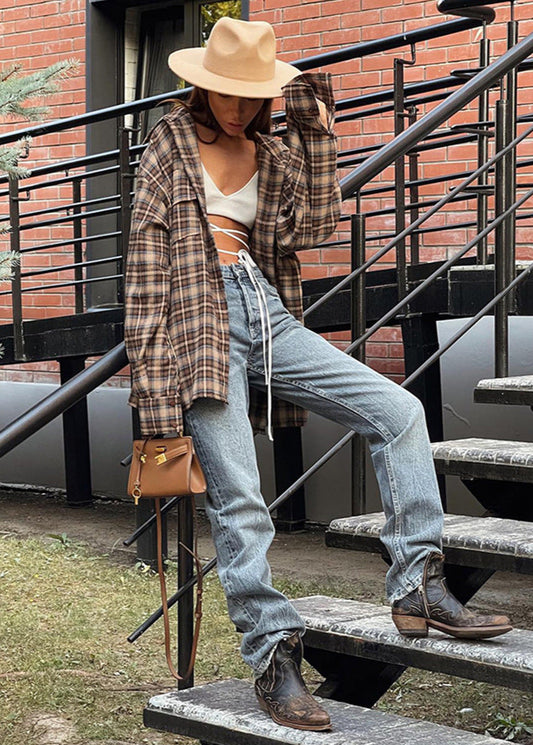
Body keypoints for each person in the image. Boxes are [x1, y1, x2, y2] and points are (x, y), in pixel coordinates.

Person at [124, 16, 512, 732]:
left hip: (264, 309)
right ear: (202, 87)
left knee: (398, 412)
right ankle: (273, 654)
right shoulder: (170, 142)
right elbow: (144, 271)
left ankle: (417, 586)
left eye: (252, 95)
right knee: (242, 500)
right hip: (195, 321)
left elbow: (313, 227)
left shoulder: (270, 150)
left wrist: (311, 124)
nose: (237, 107)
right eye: (226, 92)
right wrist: (153, 401)